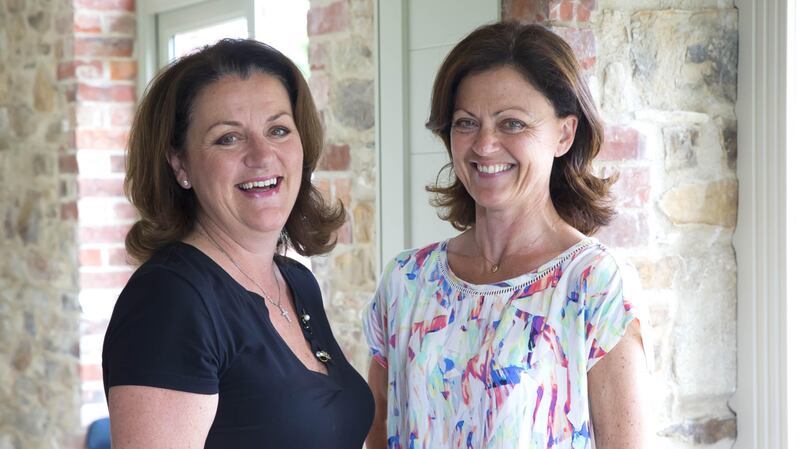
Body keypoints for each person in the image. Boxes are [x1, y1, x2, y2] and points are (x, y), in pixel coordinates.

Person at [363, 22, 649, 449]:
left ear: (564, 134)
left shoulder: (594, 284)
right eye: (466, 123)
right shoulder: (406, 281)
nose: (484, 144)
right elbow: (378, 433)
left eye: (512, 123)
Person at [102, 39, 374, 449]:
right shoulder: (169, 300)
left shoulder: (295, 282)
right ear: (180, 165)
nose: (262, 155)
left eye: (279, 130)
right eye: (228, 138)